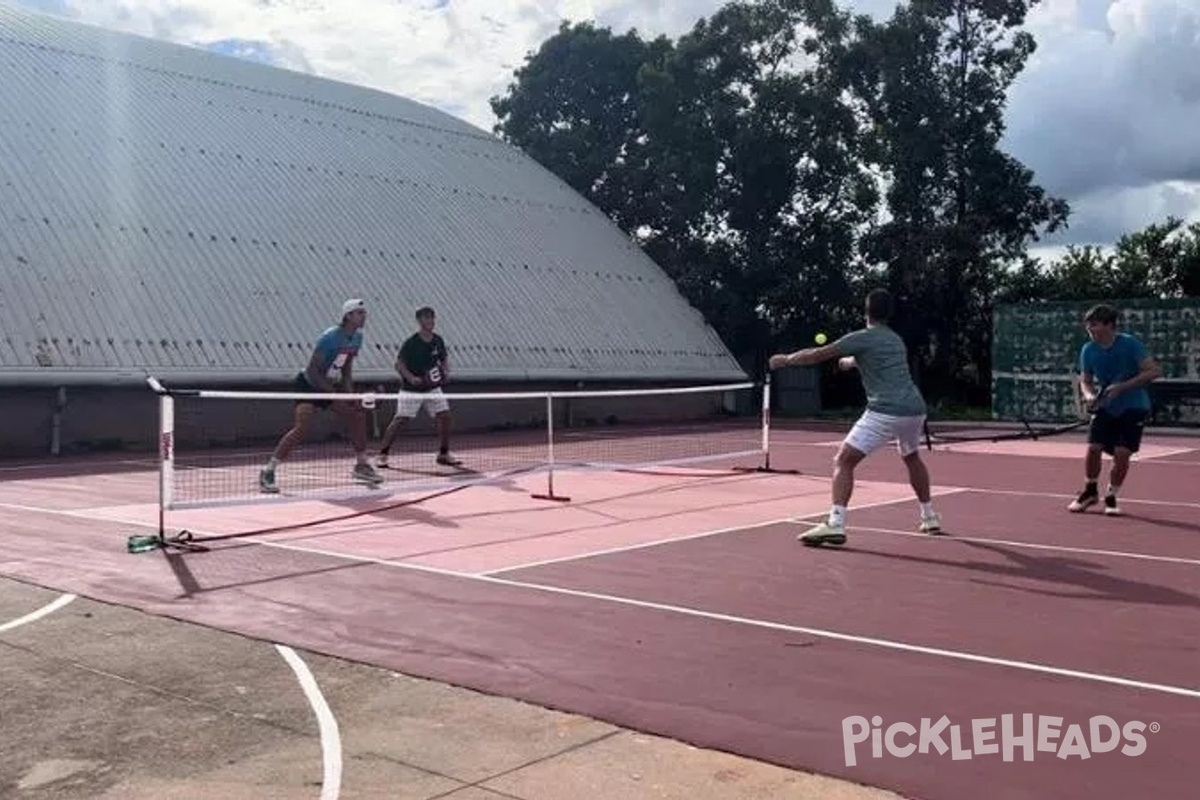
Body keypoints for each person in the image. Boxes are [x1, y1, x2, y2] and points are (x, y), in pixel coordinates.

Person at [768, 288, 941, 546]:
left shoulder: (862, 337)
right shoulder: (894, 340)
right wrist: (849, 363)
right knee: (911, 457)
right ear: (889, 314)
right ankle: (929, 517)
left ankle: (835, 524)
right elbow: (874, 361)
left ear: (866, 311)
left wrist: (785, 360)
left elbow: (818, 354)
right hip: (915, 410)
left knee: (844, 460)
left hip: (885, 410)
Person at [259, 299, 384, 493]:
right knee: (302, 428)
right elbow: (313, 370)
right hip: (308, 385)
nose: (364, 316)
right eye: (359, 313)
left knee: (356, 416)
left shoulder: (357, 338)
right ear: (348, 316)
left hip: (329, 386)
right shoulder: (330, 337)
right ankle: (268, 470)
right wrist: (332, 393)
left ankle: (361, 465)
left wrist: (348, 395)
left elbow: (347, 369)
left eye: (364, 312)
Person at [1068, 303, 1162, 516]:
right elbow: (1086, 380)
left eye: (1095, 325)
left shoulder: (1130, 345)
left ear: (1110, 325)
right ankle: (1090, 491)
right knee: (1093, 448)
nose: (1090, 329)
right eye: (1088, 326)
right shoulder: (1088, 349)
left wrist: (1122, 387)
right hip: (1105, 407)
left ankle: (1111, 495)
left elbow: (1154, 371)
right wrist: (1090, 396)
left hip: (1134, 406)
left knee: (1121, 453)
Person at [375, 306, 462, 467]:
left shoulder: (438, 340)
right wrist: (411, 378)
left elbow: (443, 360)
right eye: (426, 318)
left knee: (445, 416)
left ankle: (443, 453)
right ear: (419, 321)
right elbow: (398, 364)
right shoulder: (411, 342)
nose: (430, 321)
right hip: (411, 389)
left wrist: (446, 372)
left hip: (432, 388)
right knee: (401, 419)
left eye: (431, 318)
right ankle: (382, 454)